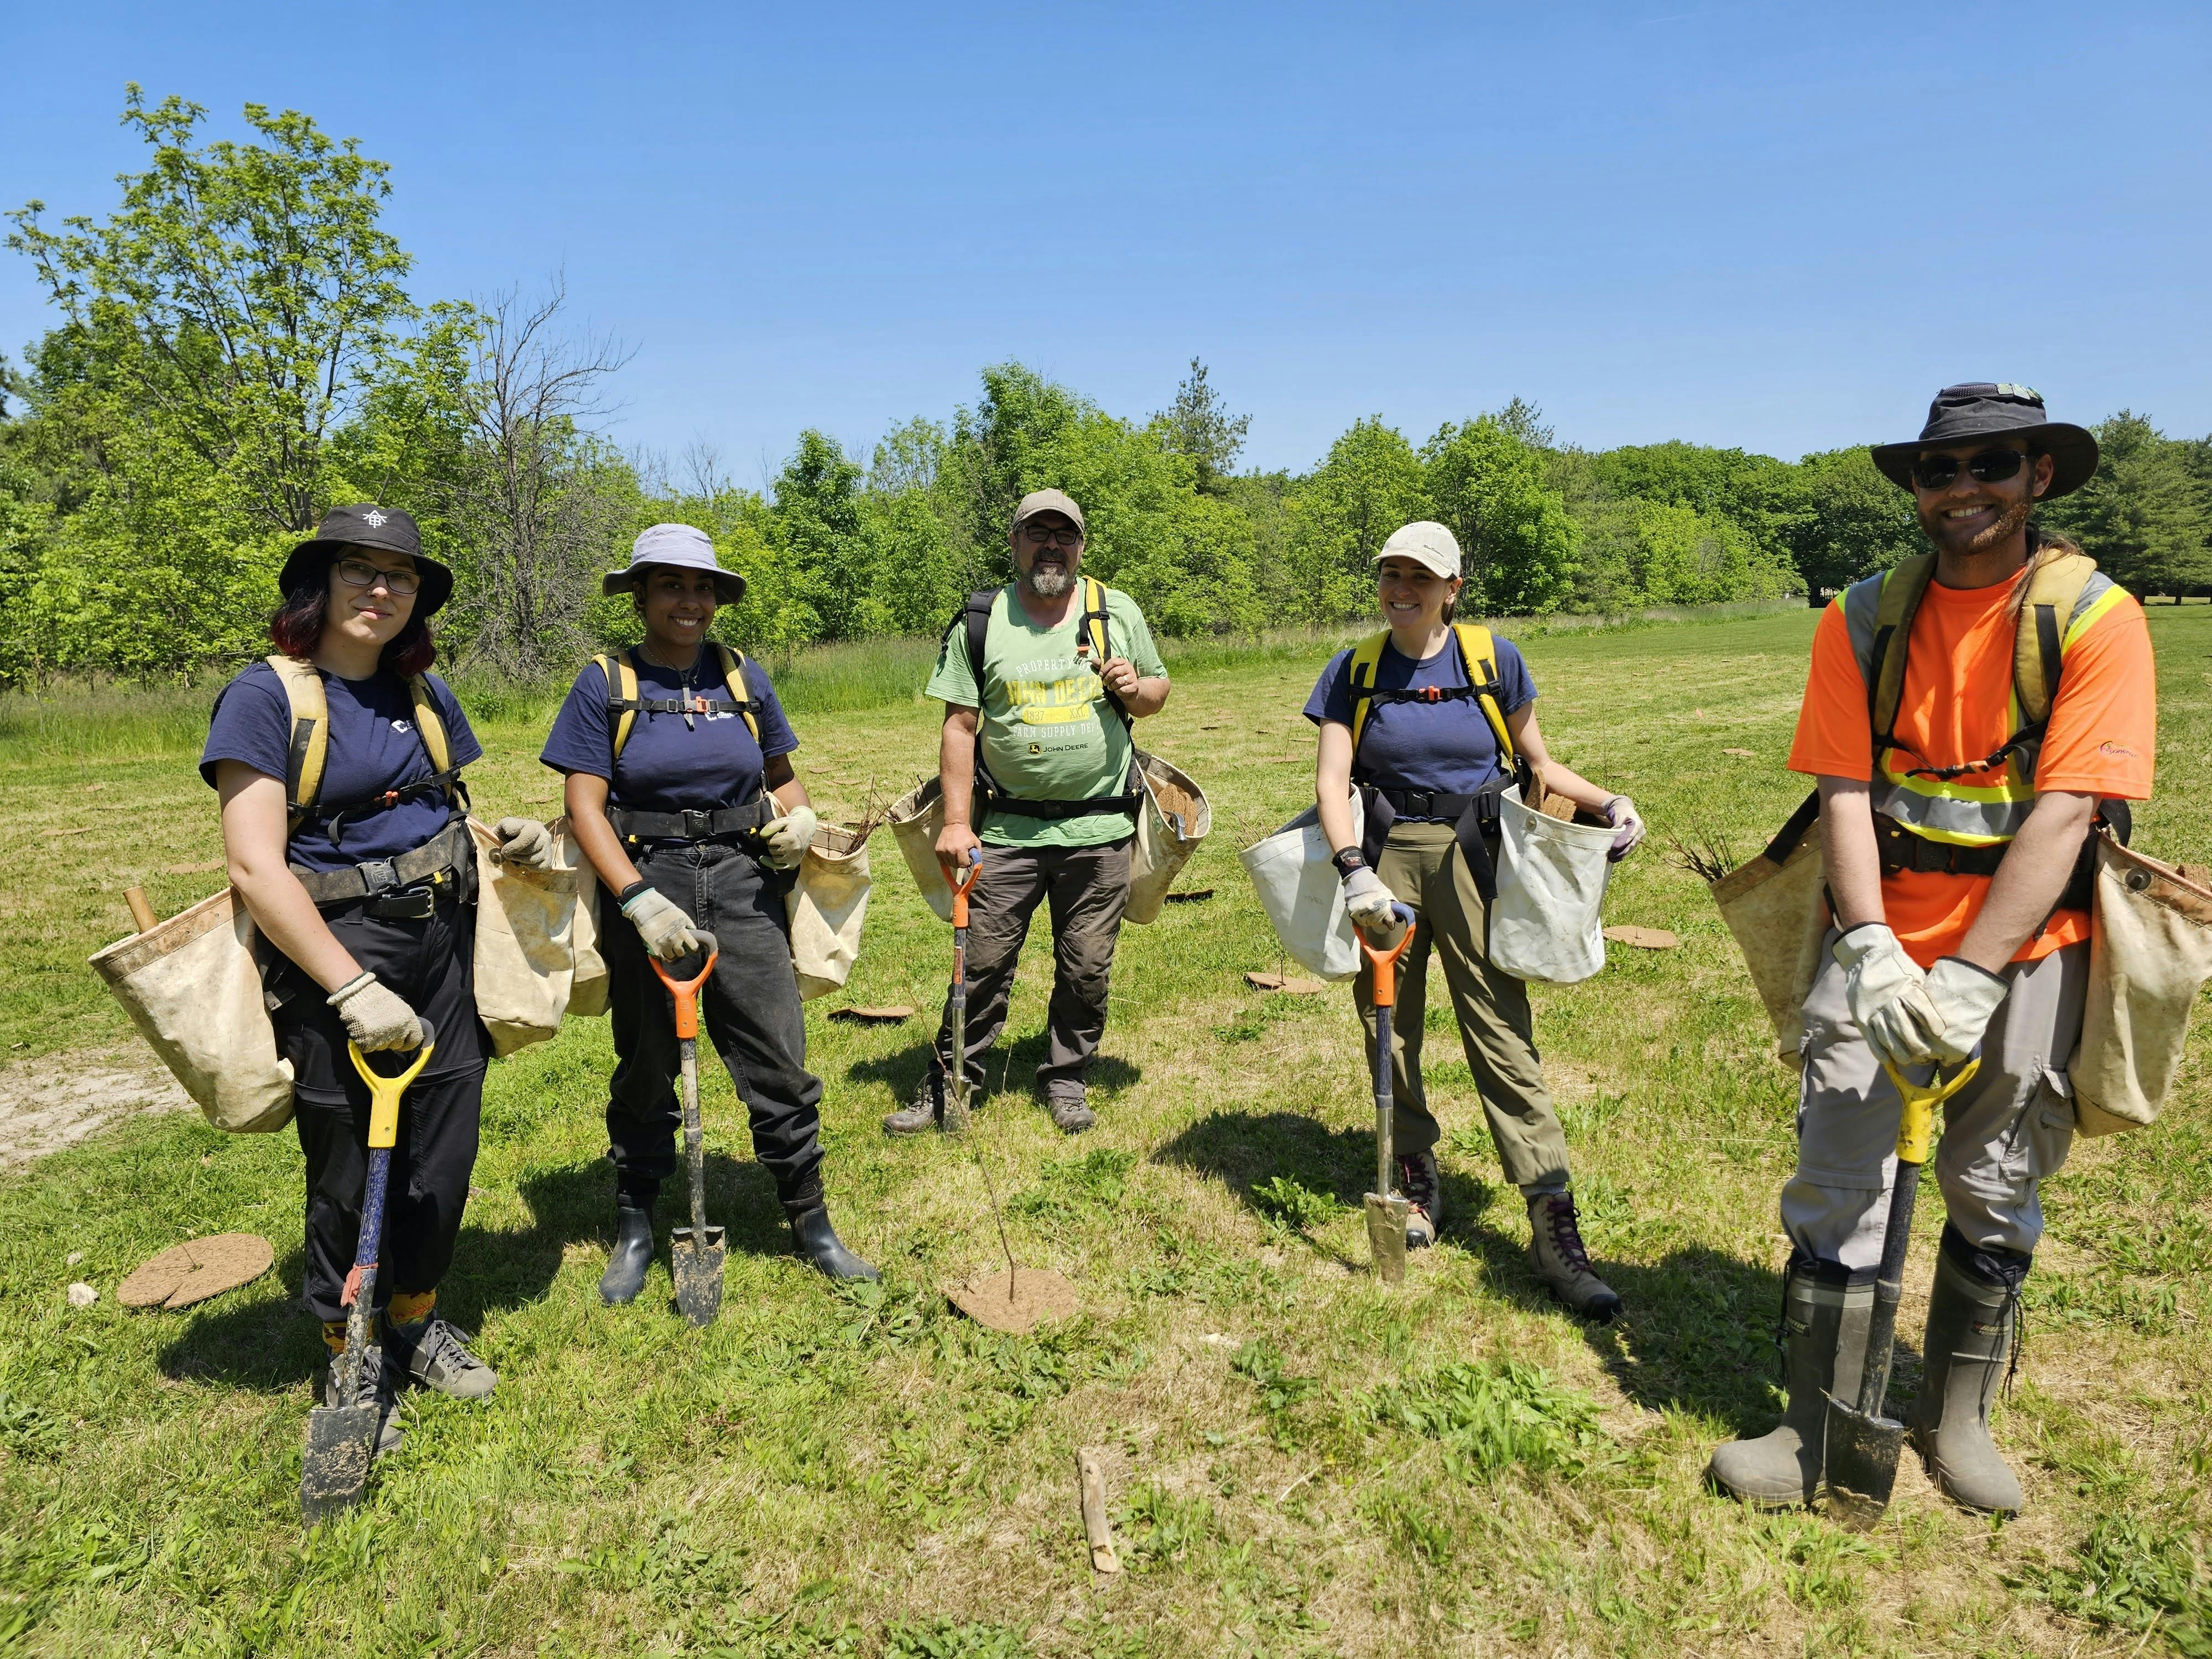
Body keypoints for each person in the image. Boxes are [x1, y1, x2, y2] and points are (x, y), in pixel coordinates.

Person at [1708, 384, 2153, 1516]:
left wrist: (1966, 975)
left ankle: (1953, 1417)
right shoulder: (1858, 617)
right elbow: (1842, 790)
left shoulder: (2095, 620)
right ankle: (1813, 1428)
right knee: (1838, 1180)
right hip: (1874, 939)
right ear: (1912, 487)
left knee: (1992, 1180)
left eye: (1989, 467)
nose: (1961, 491)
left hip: (2029, 942)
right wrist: (1866, 947)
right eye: (1936, 472)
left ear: (2036, 476)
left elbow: (2062, 813)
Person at [206, 504, 544, 1454]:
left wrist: (508, 834)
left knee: (444, 1151)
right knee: (352, 1171)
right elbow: (255, 866)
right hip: (334, 954)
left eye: (402, 577)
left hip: (442, 948)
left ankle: (413, 1317)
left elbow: (437, 807)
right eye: (362, 569)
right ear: (320, 584)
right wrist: (351, 988)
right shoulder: (267, 698)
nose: (383, 590)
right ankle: (349, 1348)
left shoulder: (422, 692)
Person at [1306, 521, 1642, 1319]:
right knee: (1389, 1024)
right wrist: (1352, 870)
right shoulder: (1352, 670)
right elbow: (1331, 779)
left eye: (1420, 577)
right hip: (1385, 855)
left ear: (1453, 588)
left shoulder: (1492, 659)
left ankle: (1549, 1214)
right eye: (1391, 573)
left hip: (1475, 855)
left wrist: (1608, 803)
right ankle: (1418, 1177)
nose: (1402, 589)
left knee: (1500, 1028)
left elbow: (1539, 763)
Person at [541, 523, 875, 1304]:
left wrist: (798, 821)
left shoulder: (742, 677)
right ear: (643, 598)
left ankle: (811, 1222)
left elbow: (782, 776)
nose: (689, 602)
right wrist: (636, 900)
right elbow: (584, 808)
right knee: (648, 1065)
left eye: (701, 589)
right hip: (646, 880)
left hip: (741, 883)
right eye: (670, 587)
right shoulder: (606, 683)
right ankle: (635, 1227)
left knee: (779, 1058)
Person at [884, 488, 1171, 1137]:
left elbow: (1157, 691)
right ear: (1014, 544)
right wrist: (956, 822)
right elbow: (960, 726)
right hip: (1007, 829)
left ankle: (1066, 1078)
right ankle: (951, 1083)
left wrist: (1136, 689)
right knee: (980, 959)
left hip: (1100, 827)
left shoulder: (1115, 610)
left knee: (1087, 966)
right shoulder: (982, 620)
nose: (1051, 546)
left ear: (1080, 546)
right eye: (1037, 534)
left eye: (1063, 535)